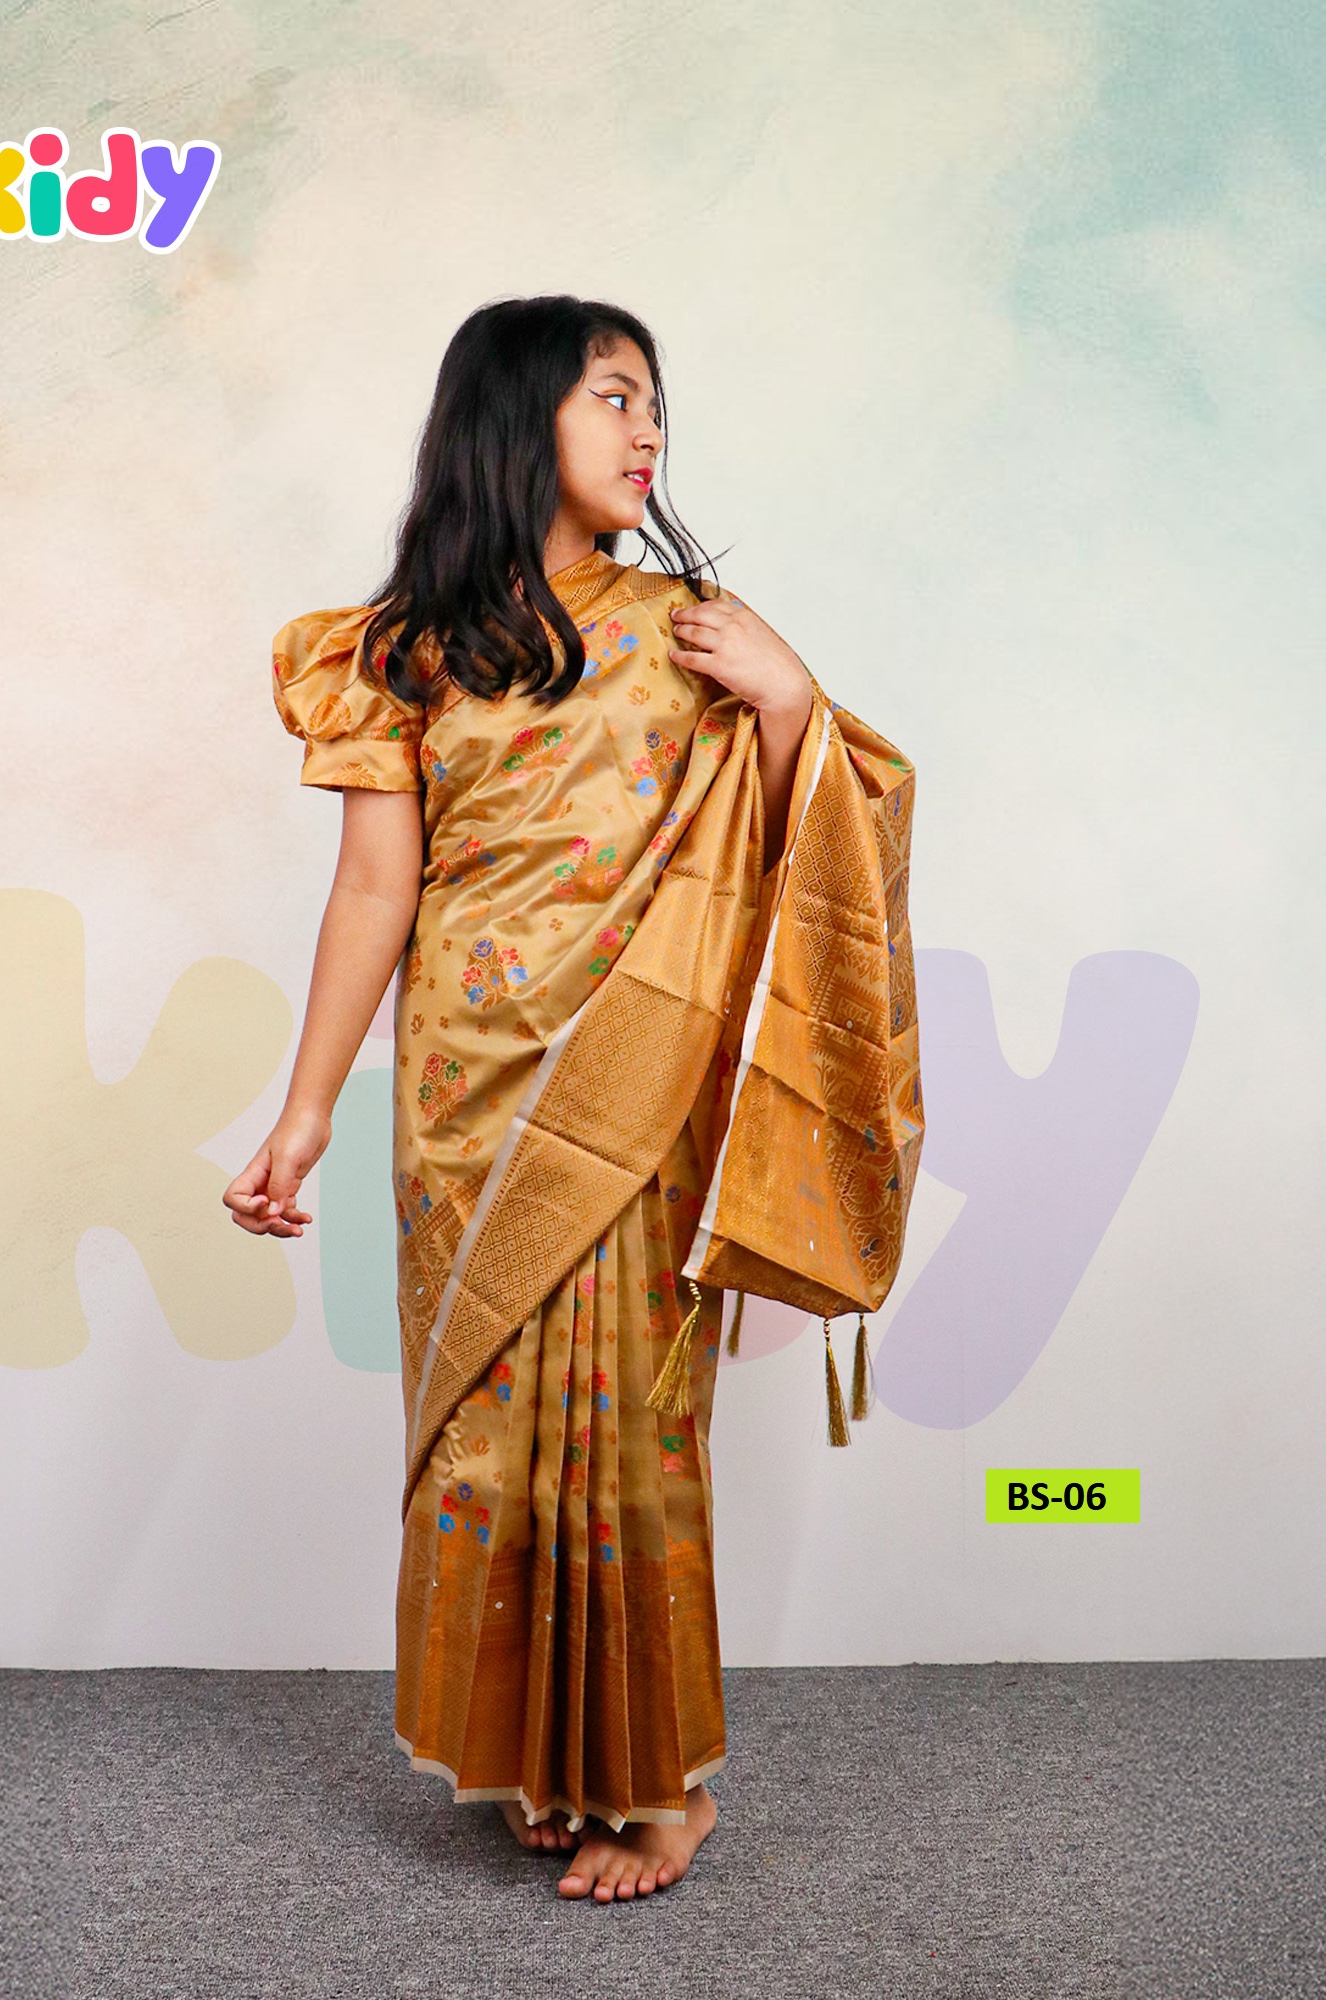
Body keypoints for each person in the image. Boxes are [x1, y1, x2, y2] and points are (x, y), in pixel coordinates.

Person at [224, 295, 920, 1903]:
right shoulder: (399, 654)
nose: (647, 428)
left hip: (634, 1090)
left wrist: (793, 703)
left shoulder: (693, 631)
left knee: (627, 1436)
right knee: (486, 1439)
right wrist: (306, 1111)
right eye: (613, 396)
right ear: (514, 413)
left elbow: (808, 842)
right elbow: (375, 891)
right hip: (461, 1102)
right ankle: (549, 1761)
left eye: (652, 400)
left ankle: (661, 1792)